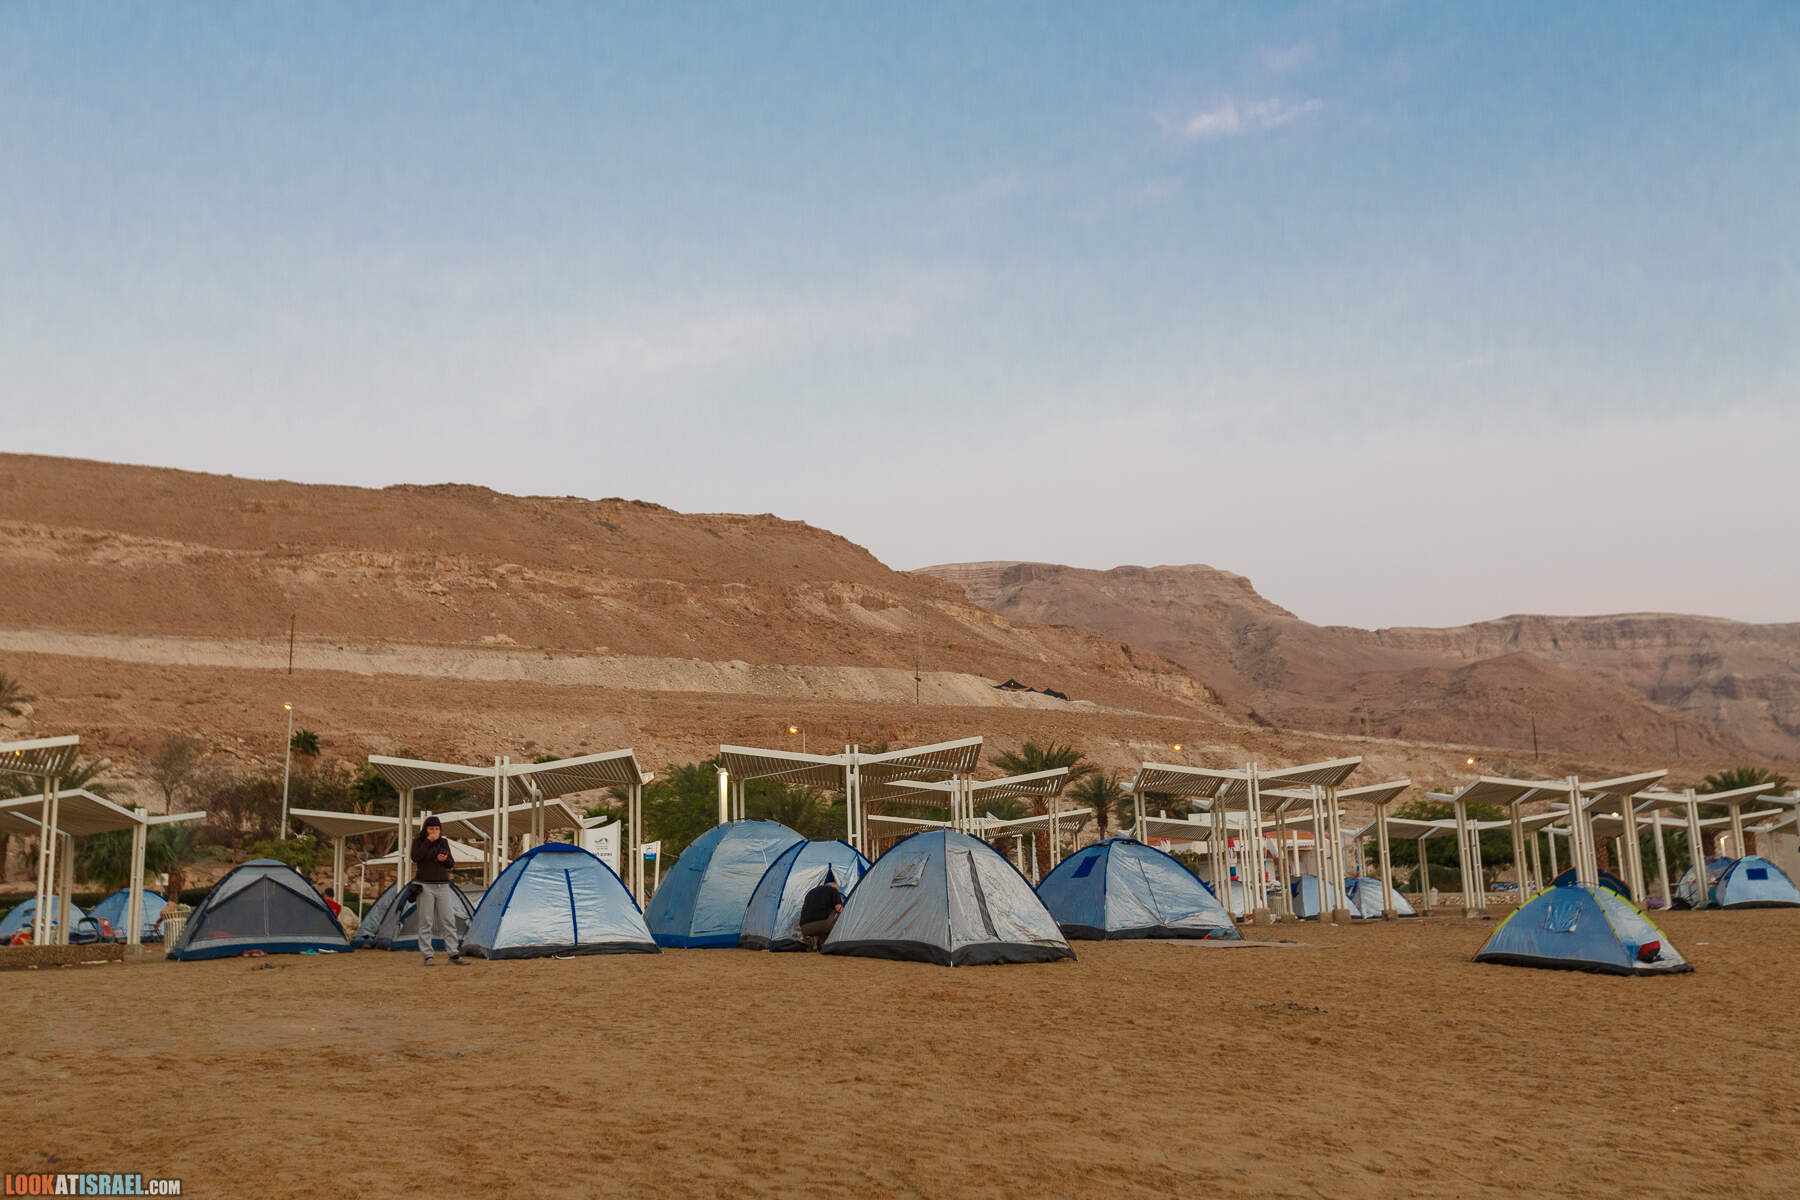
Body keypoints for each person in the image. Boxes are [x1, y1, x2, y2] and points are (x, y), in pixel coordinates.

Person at [410, 816, 467, 966]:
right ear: (425, 829)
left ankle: (453, 954)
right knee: (426, 922)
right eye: (431, 828)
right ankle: (428, 955)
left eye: (437, 829)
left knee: (448, 920)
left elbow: (451, 863)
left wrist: (444, 860)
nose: (434, 831)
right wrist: (428, 841)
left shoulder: (444, 842)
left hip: (443, 885)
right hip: (424, 885)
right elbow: (416, 857)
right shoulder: (418, 842)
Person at [796, 872, 845, 950]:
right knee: (840, 914)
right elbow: (838, 908)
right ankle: (830, 943)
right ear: (834, 887)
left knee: (823, 914)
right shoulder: (833, 890)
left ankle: (814, 943)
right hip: (822, 926)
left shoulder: (809, 893)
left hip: (804, 929)